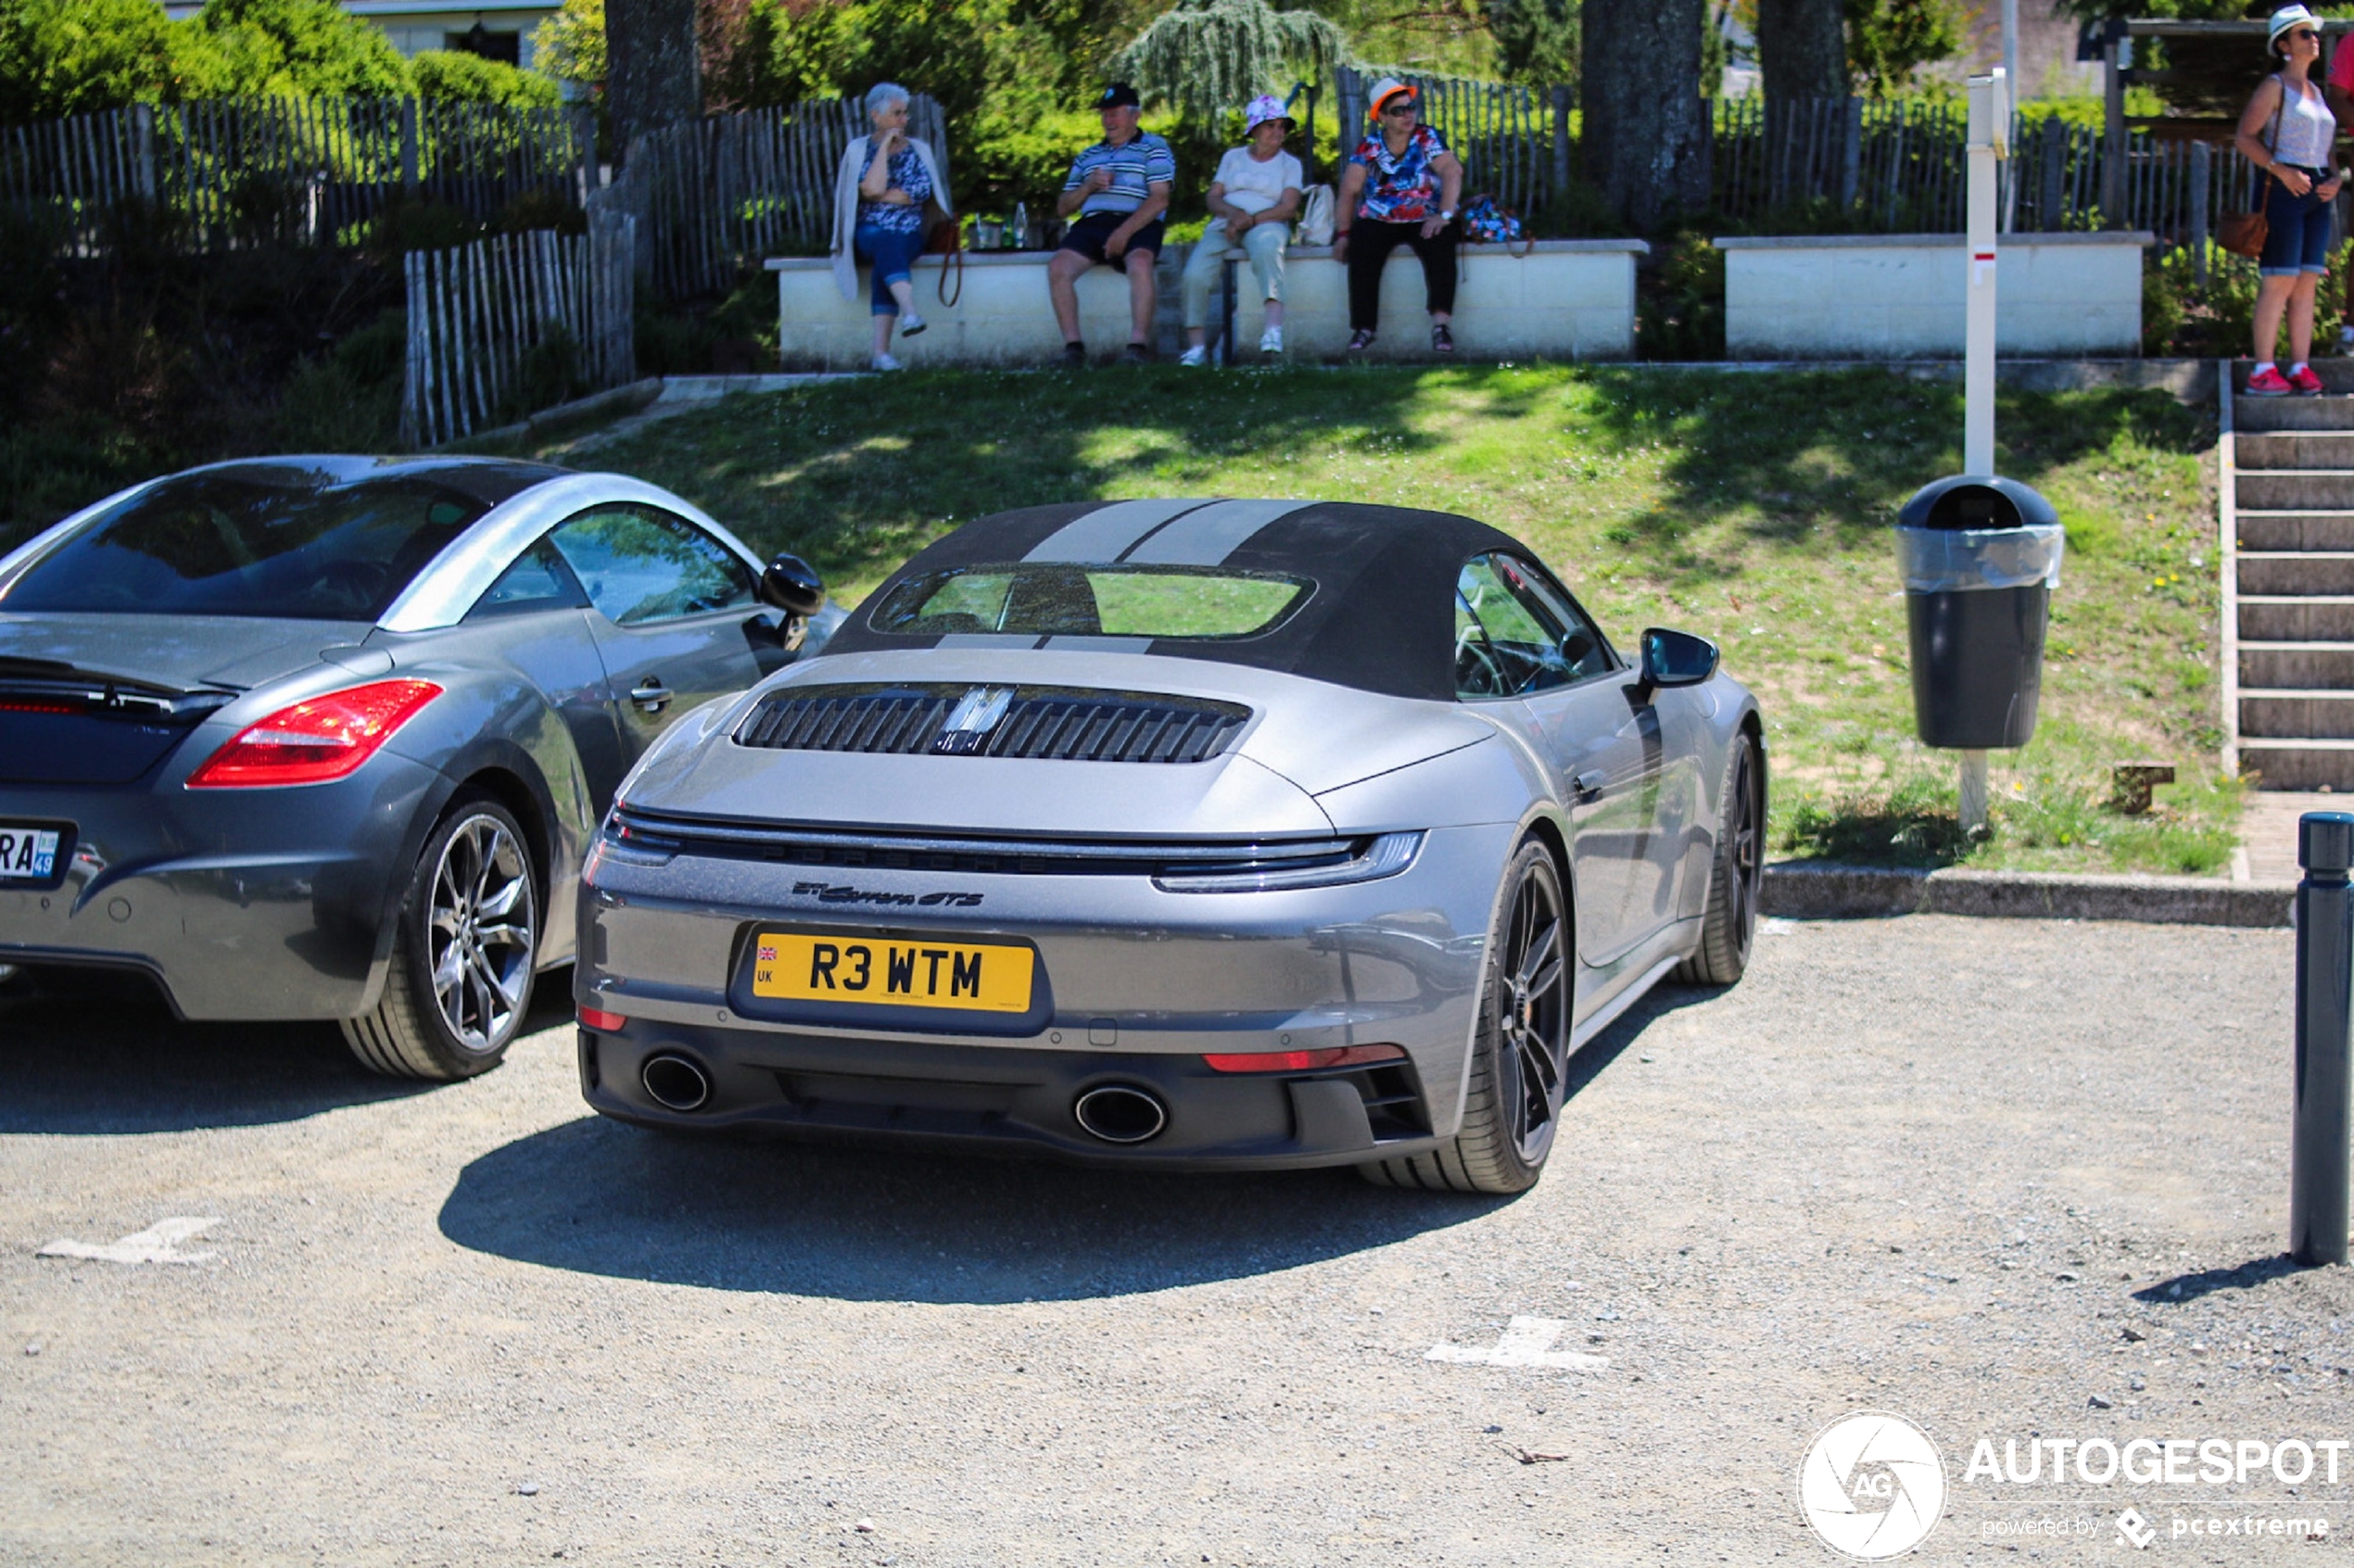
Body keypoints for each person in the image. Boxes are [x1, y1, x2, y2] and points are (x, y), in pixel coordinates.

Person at [2239, 7, 2345, 396]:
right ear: (2284, 45)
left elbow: (2326, 146)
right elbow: (2245, 136)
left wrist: (2335, 177)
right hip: (2284, 189)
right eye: (2303, 34)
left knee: (2307, 283)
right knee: (2279, 280)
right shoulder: (2274, 86)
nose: (2313, 39)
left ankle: (2300, 366)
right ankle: (2262, 370)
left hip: (2318, 192)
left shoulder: (2316, 93)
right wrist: (2281, 171)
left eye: (2314, 33)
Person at [1335, 78, 1464, 357]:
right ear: (1381, 116)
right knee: (1362, 241)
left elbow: (1452, 171)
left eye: (1410, 108)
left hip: (1424, 215)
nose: (1408, 115)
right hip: (1381, 217)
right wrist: (1343, 234)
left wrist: (1444, 214)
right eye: (1398, 110)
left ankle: (1441, 326)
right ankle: (1364, 328)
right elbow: (1349, 191)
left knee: (1442, 240)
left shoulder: (1426, 137)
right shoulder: (1369, 147)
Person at [1050, 82, 1176, 366]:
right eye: (1105, 114)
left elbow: (1159, 199)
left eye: (1115, 113)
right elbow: (1063, 207)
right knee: (1058, 267)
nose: (1108, 120)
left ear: (1135, 116)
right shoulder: (1088, 156)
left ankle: (1137, 346)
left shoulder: (1154, 148)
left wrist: (1124, 232)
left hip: (1139, 221)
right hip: (1094, 223)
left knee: (1141, 263)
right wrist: (1087, 187)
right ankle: (1073, 348)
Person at [829, 82, 951, 373]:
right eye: (897, 114)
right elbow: (871, 190)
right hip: (867, 232)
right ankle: (909, 313)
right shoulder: (859, 150)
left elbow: (916, 193)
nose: (903, 120)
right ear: (876, 115)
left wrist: (877, 192)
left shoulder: (919, 150)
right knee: (883, 241)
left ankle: (881, 355)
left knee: (886, 258)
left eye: (905, 114)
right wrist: (883, 147)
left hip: (909, 233)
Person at [1177, 95, 1305, 366]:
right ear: (1255, 129)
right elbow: (1213, 198)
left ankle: (1272, 331)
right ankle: (1197, 348)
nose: (1278, 132)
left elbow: (1288, 207)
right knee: (1195, 274)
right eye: (1271, 125)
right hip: (1226, 223)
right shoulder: (1232, 157)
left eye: (1282, 126)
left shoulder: (1290, 164)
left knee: (1269, 248)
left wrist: (1251, 220)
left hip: (1268, 222)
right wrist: (1233, 215)